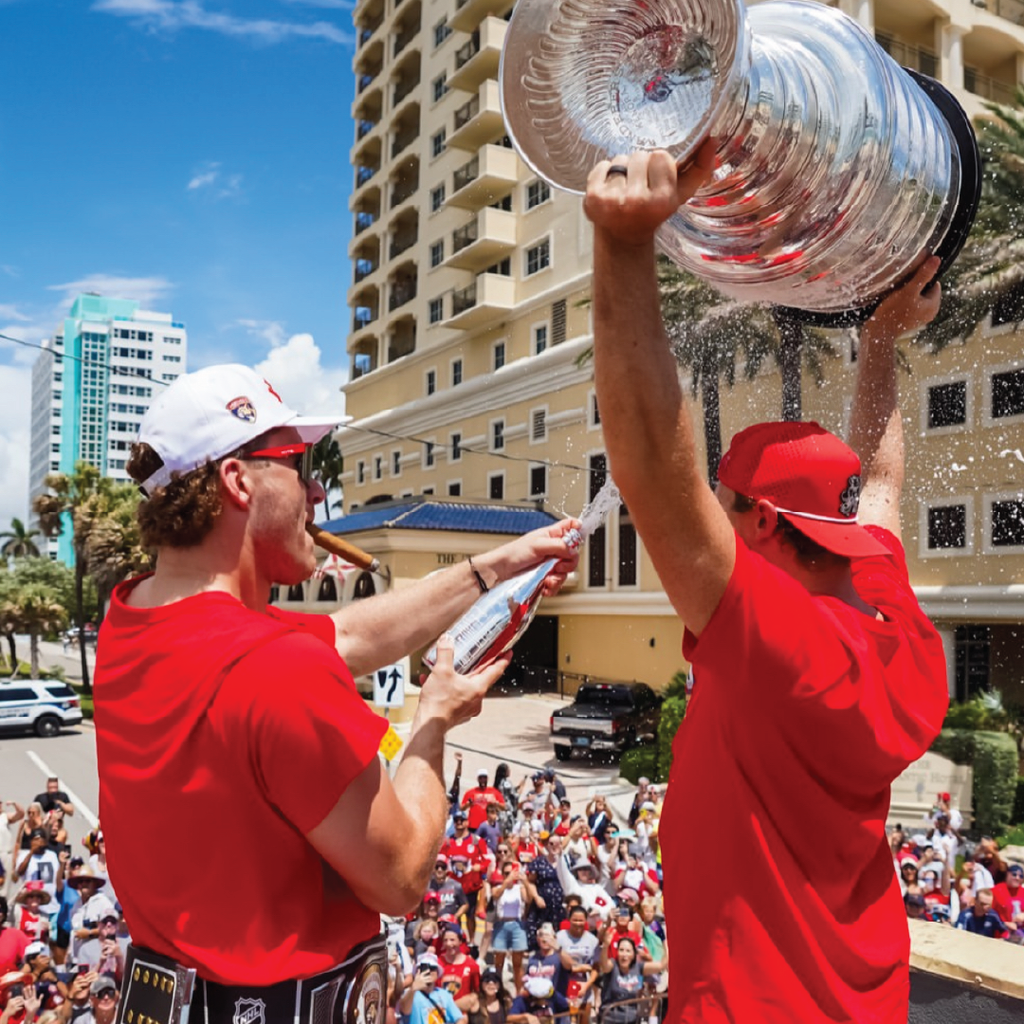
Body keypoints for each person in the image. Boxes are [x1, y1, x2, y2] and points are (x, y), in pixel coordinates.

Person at [584, 145, 949, 1022]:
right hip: (866, 998)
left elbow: (646, 464)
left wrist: (626, 245)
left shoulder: (777, 640)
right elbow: (885, 480)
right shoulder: (888, 607)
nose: (707, 507)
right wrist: (880, 342)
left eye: (723, 498)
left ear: (756, 523)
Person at [89, 365, 578, 1018]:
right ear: (238, 482)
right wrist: (434, 721)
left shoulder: (131, 619)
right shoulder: (271, 667)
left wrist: (499, 564)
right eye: (298, 464)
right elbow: (401, 877)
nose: (319, 489)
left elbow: (345, 634)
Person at [596, 935, 665, 1024]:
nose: (624, 954)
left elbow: (661, 965)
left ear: (633, 955)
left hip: (631, 1019)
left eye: (628, 951)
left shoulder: (638, 967)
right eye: (621, 950)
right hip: (610, 1018)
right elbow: (604, 966)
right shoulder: (613, 965)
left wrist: (664, 942)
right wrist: (605, 946)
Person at [398, 953, 466, 1024]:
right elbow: (404, 1010)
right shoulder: (410, 994)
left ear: (437, 972)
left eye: (432, 968)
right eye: (424, 968)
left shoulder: (444, 994)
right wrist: (413, 989)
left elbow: (459, 1019)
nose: (429, 971)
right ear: (417, 971)